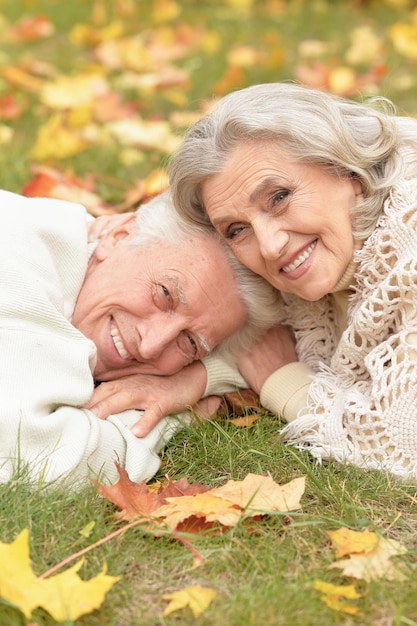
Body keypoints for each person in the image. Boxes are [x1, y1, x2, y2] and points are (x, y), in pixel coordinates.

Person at [140, 81, 417, 481]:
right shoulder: (327, 253)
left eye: (279, 197)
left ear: (347, 168)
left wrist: (282, 382)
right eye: (236, 229)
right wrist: (199, 377)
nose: (269, 247)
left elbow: (403, 440)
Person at [0, 187, 282, 488]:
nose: (151, 345)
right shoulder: (20, 257)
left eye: (189, 343)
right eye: (165, 294)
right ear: (119, 236)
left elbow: (277, 349)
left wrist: (193, 382)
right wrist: (170, 418)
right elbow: (34, 458)